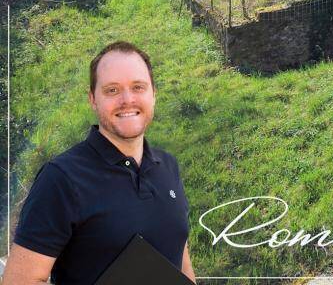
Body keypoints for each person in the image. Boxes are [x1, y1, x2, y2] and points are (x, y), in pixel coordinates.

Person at [3, 41, 195, 285]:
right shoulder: (62, 178)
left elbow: (180, 257)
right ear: (93, 99)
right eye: (112, 90)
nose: (128, 100)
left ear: (153, 94)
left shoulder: (168, 167)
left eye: (138, 87)